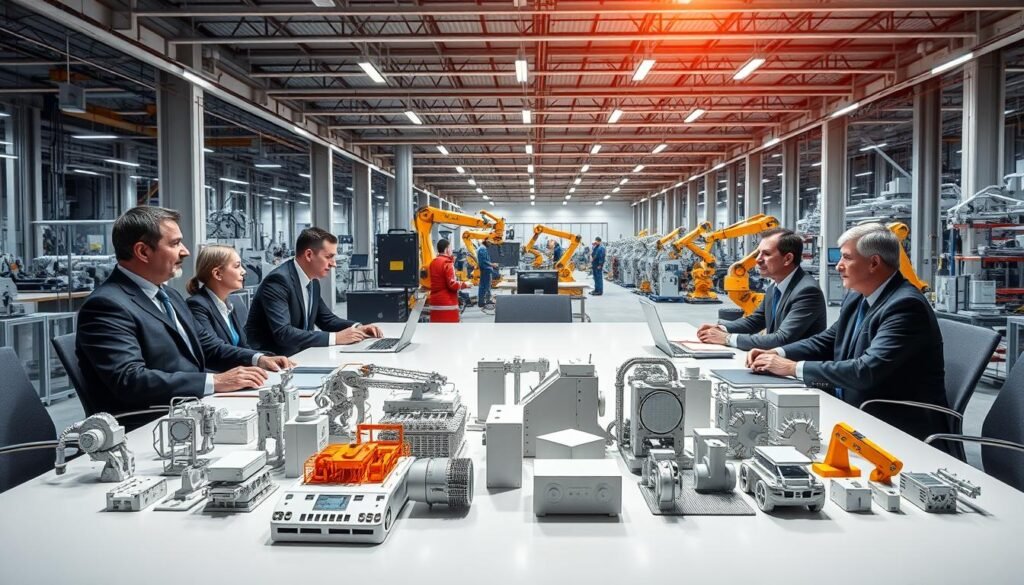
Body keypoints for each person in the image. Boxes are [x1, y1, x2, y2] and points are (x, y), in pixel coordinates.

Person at [75, 206, 292, 421]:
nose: (186, 251)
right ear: (142, 251)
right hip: (153, 422)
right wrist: (214, 382)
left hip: (191, 408)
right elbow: (130, 380)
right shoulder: (107, 305)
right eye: (175, 243)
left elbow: (208, 346)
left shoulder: (169, 295)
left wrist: (257, 359)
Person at [748, 223, 947, 441]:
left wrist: (793, 367)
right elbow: (827, 341)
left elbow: (866, 371)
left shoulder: (905, 306)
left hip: (893, 425)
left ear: (874, 262)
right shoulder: (858, 296)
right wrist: (779, 353)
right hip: (851, 407)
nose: (838, 266)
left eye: (846, 258)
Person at [246, 227, 382, 357]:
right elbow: (284, 333)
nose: (334, 263)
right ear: (309, 255)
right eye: (329, 257)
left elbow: (326, 320)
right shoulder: (278, 281)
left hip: (300, 354)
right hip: (273, 360)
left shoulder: (312, 281)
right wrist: (336, 338)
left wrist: (358, 327)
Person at [696, 228, 826, 350]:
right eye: (758, 253)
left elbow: (782, 339)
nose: (758, 260)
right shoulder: (774, 288)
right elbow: (755, 321)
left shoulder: (807, 291)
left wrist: (727, 338)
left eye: (766, 254)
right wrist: (721, 328)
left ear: (787, 259)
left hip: (795, 367)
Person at [186, 245, 250, 348]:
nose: (243, 271)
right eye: (237, 266)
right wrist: (258, 359)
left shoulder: (231, 304)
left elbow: (243, 346)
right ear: (217, 274)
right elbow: (214, 349)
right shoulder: (197, 306)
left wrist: (266, 358)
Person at [429, 238, 470, 322]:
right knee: (449, 332)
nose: (451, 250)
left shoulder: (433, 263)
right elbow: (452, 285)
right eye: (450, 248)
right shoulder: (447, 263)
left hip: (434, 303)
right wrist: (465, 284)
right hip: (447, 304)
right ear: (446, 249)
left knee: (435, 331)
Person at [476, 243, 498, 307]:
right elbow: (484, 261)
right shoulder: (482, 249)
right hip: (486, 270)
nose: (490, 243)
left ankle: (482, 301)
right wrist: (492, 264)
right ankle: (486, 301)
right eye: (489, 242)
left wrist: (491, 264)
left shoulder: (482, 249)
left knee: (483, 286)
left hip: (485, 269)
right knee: (486, 286)